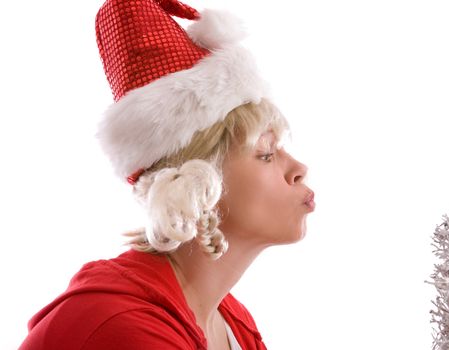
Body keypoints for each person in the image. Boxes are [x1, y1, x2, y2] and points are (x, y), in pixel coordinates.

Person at [20, 0, 315, 349]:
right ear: (196, 183)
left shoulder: (231, 321)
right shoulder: (125, 327)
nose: (299, 169)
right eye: (265, 153)